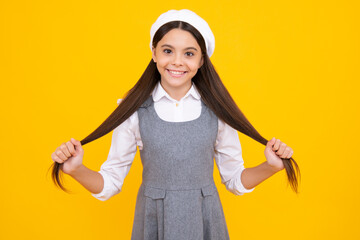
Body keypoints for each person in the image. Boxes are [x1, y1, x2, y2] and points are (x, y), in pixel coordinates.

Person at [50, 9, 299, 240]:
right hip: (153, 222)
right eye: (168, 51)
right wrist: (76, 169)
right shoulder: (133, 110)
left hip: (205, 222)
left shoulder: (218, 111)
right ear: (154, 53)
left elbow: (235, 180)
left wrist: (271, 166)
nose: (177, 62)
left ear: (202, 60)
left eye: (189, 53)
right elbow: (110, 183)